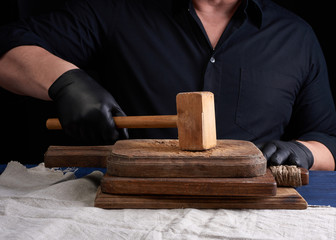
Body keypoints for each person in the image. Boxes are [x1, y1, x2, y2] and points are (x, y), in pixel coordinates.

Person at [0, 0, 335, 170]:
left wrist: (304, 151)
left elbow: (328, 141)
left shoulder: (297, 36)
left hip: (254, 210)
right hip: (127, 207)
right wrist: (65, 82)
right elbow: (6, 48)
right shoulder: (118, 10)